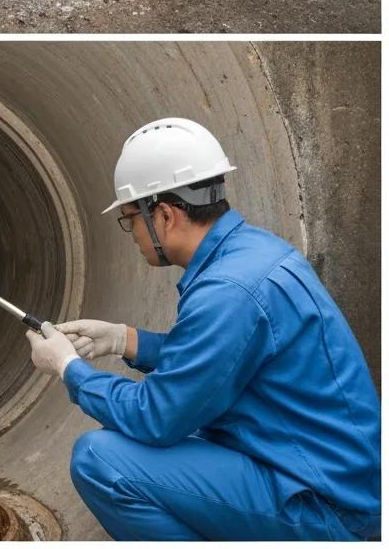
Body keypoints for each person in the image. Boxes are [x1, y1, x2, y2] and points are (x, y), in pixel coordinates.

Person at [26, 118, 380, 541]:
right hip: (326, 472)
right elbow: (218, 361)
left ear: (165, 215)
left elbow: (156, 417)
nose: (132, 235)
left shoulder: (228, 292)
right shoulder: (254, 252)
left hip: (326, 509)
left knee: (101, 460)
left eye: (130, 220)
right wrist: (125, 339)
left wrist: (69, 369)